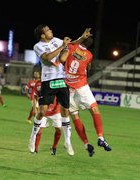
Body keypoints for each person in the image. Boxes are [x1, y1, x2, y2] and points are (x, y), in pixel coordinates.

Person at [28, 24, 91, 156]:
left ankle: (68, 142)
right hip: (48, 80)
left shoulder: (56, 40)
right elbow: (47, 57)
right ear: (42, 35)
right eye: (48, 30)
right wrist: (62, 47)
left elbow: (71, 44)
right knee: (42, 112)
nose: (51, 31)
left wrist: (82, 38)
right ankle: (33, 136)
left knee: (65, 110)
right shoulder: (38, 46)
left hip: (62, 79)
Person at [60, 36, 112, 157]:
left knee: (75, 116)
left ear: (80, 40)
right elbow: (87, 68)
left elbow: (67, 49)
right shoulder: (89, 55)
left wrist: (80, 37)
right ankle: (100, 137)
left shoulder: (71, 46)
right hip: (82, 86)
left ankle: (86, 144)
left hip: (68, 87)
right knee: (94, 110)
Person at [33, 79, 62, 155]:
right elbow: (35, 96)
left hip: (55, 110)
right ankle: (35, 149)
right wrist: (34, 108)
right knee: (39, 130)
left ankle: (54, 147)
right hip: (43, 111)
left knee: (59, 130)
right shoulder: (38, 83)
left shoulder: (56, 82)